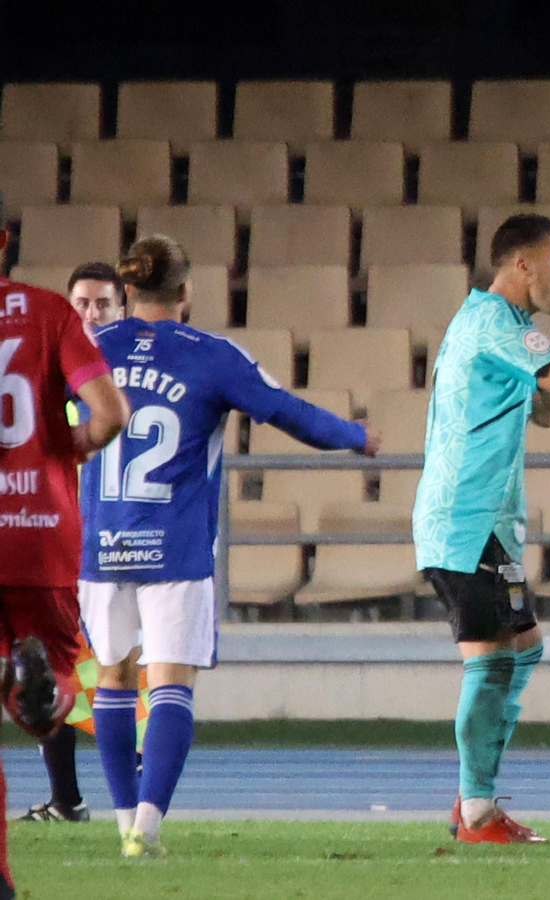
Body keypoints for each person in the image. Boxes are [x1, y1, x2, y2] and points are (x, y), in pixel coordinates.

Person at [79, 236, 377, 858]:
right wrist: (354, 436)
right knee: (170, 686)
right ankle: (148, 830)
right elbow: (284, 411)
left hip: (100, 543)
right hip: (177, 548)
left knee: (112, 678)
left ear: (127, 291)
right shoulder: (213, 357)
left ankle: (120, 818)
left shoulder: (89, 350)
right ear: (187, 293)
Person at [413, 214, 550, 844]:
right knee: (493, 662)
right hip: (467, 521)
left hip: (487, 522)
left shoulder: (506, 328)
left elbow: (547, 406)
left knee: (524, 649)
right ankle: (476, 810)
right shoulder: (493, 322)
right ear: (521, 264)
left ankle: (476, 790)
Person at [0, 213, 130, 898]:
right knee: (55, 687)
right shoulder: (49, 314)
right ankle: (39, 689)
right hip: (40, 527)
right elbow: (109, 414)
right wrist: (74, 446)